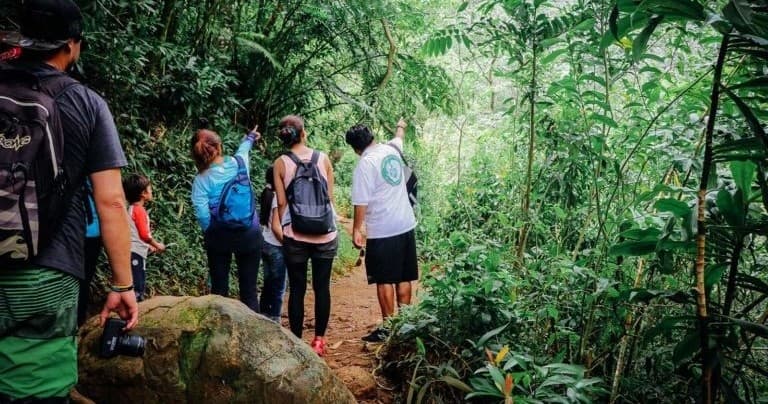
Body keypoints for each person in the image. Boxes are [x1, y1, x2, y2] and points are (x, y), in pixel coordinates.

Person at [0, 0, 138, 402]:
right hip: (47, 272)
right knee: (36, 389)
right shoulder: (86, 103)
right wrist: (122, 284)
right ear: (73, 45)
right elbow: (111, 202)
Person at [345, 118, 418, 342]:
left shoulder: (365, 164)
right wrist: (401, 125)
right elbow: (399, 137)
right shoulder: (390, 149)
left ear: (356, 148)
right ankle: (403, 326)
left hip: (383, 229)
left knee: (384, 279)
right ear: (372, 138)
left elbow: (361, 202)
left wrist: (357, 229)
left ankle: (388, 328)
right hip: (405, 223)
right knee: (404, 275)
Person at [273, 115, 338, 356]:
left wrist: (288, 228)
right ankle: (319, 341)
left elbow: (281, 202)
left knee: (297, 289)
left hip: (295, 236)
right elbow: (329, 199)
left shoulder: (280, 163)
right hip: (325, 235)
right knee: (322, 287)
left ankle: (297, 342)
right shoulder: (323, 158)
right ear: (304, 133)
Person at [190, 125, 262, 312]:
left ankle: (219, 335)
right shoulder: (239, 163)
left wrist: (211, 233)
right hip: (250, 232)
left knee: (219, 290)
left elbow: (202, 212)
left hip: (219, 236)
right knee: (249, 290)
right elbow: (243, 150)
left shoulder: (201, 179)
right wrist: (250, 137)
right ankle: (254, 334)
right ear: (219, 147)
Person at [123, 174, 166, 302]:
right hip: (135, 252)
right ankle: (137, 304)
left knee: (134, 278)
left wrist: (149, 246)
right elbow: (144, 235)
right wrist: (157, 244)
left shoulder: (130, 209)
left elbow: (134, 233)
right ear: (143, 193)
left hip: (131, 249)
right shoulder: (139, 211)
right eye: (150, 189)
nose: (152, 191)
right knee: (138, 281)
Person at [258, 166, 287, 323]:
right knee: (279, 285)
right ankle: (275, 319)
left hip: (265, 241)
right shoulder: (277, 196)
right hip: (276, 245)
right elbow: (277, 226)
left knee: (269, 282)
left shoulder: (267, 193)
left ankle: (264, 314)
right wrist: (288, 243)